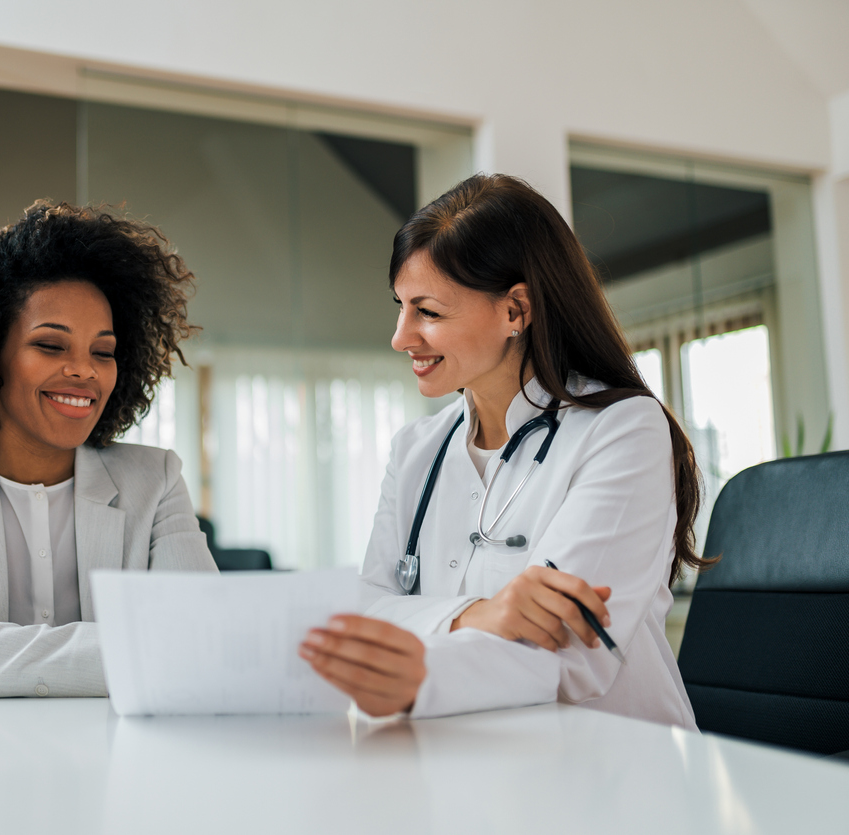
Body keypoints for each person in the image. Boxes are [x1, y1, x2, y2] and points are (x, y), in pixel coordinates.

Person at [299, 175, 705, 729]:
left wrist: (419, 667)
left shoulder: (622, 429)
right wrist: (481, 616)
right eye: (401, 307)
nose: (400, 336)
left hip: (616, 774)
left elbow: (568, 653)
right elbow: (366, 610)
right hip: (468, 764)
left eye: (429, 312)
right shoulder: (415, 450)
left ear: (516, 310)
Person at [0, 201, 217, 699]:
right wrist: (136, 653)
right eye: (51, 346)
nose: (84, 371)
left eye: (102, 352)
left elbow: (203, 647)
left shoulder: (156, 479)